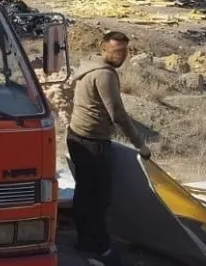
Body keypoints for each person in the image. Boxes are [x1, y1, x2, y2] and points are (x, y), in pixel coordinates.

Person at [67, 31, 151, 265]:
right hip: (93, 142)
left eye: (124, 51)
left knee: (84, 193)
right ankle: (102, 248)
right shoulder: (104, 75)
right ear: (103, 48)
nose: (120, 55)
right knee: (100, 198)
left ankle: (83, 243)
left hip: (76, 135)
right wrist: (140, 145)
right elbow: (118, 114)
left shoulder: (88, 65)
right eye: (115, 51)